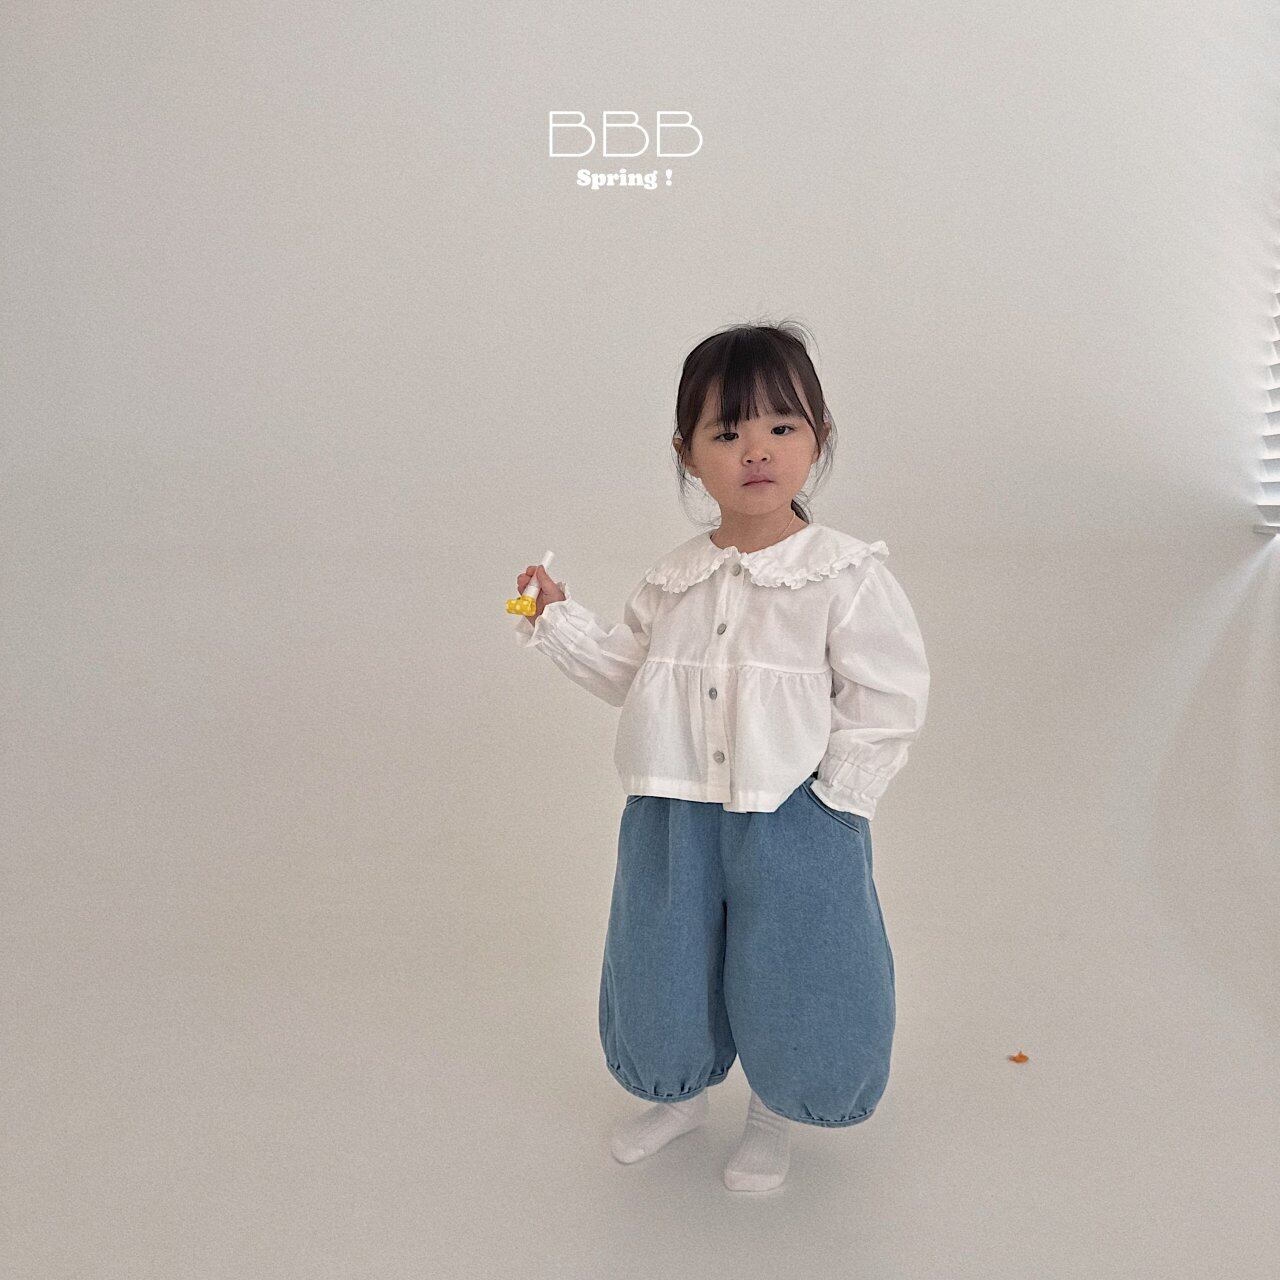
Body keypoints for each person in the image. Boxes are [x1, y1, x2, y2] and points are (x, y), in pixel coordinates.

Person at [511, 322, 930, 1192]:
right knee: (662, 958)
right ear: (688, 454)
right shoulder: (675, 576)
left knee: (795, 965)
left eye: (782, 426)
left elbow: (887, 694)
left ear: (819, 437)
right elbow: (633, 672)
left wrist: (837, 799)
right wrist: (556, 620)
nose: (756, 450)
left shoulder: (843, 572)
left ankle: (774, 1111)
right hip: (671, 808)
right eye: (727, 431)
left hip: (794, 811)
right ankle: (678, 1096)